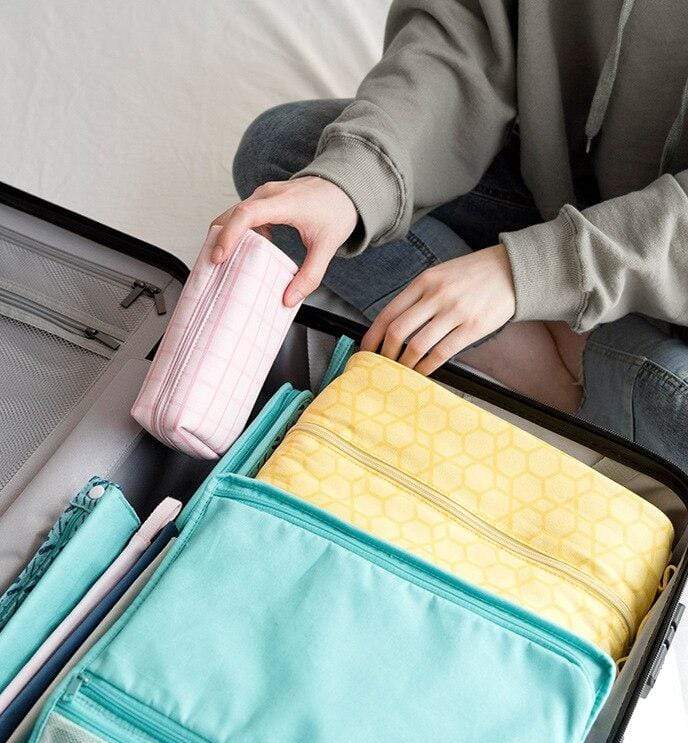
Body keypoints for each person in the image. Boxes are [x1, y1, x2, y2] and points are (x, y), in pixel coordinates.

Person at [213, 0, 688, 470]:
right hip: (547, 182)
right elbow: (464, 29)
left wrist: (529, 271)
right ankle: (554, 357)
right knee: (285, 156)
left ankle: (575, 357)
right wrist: (347, 184)